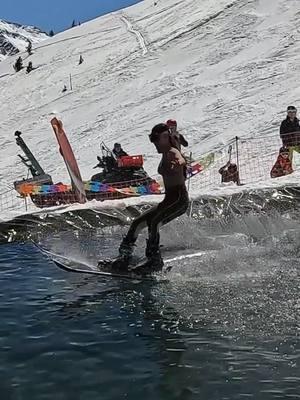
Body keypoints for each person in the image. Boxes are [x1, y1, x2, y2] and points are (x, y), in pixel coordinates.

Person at [100, 123, 189, 274]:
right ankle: (124, 258)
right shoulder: (169, 148)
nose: (154, 143)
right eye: (152, 139)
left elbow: (180, 158)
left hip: (178, 199)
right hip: (169, 199)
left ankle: (154, 261)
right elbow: (179, 139)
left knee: (154, 222)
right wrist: (177, 136)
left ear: (165, 138)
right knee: (137, 223)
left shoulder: (172, 152)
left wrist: (178, 163)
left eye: (156, 139)